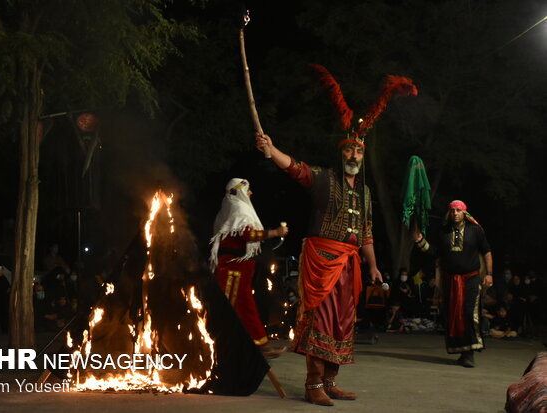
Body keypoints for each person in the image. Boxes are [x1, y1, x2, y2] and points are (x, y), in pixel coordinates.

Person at [254, 132, 383, 405]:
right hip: (322, 259)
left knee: (342, 322)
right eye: (348, 151)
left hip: (350, 263)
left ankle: (330, 383)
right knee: (321, 320)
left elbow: (366, 232)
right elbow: (295, 168)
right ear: (341, 154)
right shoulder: (324, 178)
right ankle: (313, 384)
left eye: (358, 152)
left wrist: (373, 265)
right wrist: (271, 147)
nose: (353, 156)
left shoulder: (365, 192)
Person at [209, 178, 289, 358]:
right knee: (232, 306)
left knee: (244, 306)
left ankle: (258, 344)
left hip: (238, 267)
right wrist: (274, 233)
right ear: (240, 191)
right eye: (248, 189)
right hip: (232, 269)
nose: (251, 193)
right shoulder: (238, 208)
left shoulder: (232, 208)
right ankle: (223, 344)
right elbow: (249, 235)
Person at [412, 200, 493, 367]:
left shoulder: (475, 230)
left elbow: (487, 252)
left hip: (471, 279)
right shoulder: (443, 232)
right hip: (451, 280)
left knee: (469, 312)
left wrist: (490, 274)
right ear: (449, 213)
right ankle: (462, 352)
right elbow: (436, 253)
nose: (455, 213)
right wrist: (420, 241)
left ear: (464, 212)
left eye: (458, 210)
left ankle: (469, 352)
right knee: (454, 316)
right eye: (452, 211)